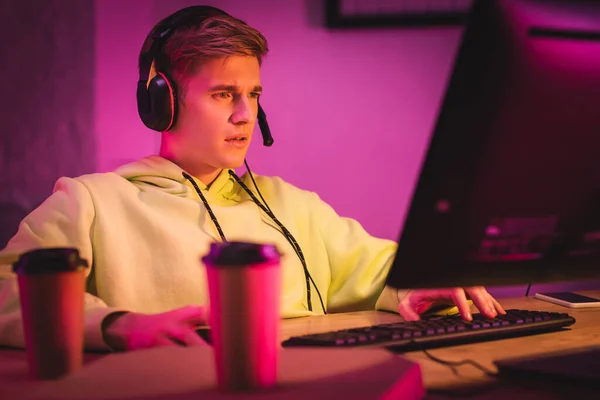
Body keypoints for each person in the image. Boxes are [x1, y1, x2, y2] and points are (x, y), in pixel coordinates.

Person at [0, 5, 504, 352]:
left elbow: (378, 268)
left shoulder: (289, 205)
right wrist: (118, 326)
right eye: (223, 94)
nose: (246, 114)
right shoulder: (92, 202)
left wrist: (418, 285)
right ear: (162, 101)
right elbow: (7, 290)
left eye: (254, 94)